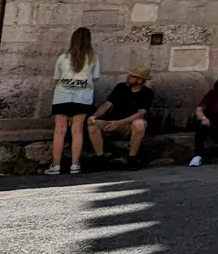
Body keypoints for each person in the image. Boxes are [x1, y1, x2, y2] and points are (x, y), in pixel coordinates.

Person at [46, 26, 100, 175]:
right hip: (82, 97)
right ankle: (75, 164)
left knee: (60, 131)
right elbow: (95, 78)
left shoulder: (62, 58)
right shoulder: (93, 58)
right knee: (77, 130)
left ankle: (56, 165)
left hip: (62, 96)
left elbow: (57, 78)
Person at [88, 67, 155, 166]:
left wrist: (120, 123)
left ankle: (132, 158)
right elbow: (106, 105)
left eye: (132, 76)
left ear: (140, 80)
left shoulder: (147, 93)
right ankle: (100, 158)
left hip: (129, 124)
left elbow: (141, 113)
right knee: (92, 125)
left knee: (139, 124)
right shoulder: (121, 87)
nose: (128, 77)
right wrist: (94, 116)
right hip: (112, 121)